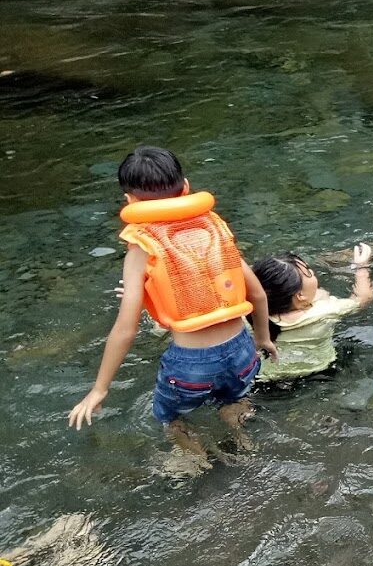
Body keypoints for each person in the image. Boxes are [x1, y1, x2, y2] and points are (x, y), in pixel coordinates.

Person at [67, 147, 277, 453]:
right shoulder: (214, 227)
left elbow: (126, 329)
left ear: (130, 201)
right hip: (242, 351)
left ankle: (196, 463)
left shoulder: (142, 245)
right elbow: (256, 292)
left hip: (192, 365)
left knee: (171, 415)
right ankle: (244, 444)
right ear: (187, 188)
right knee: (234, 401)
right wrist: (263, 338)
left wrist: (99, 389)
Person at [252, 244, 373, 382]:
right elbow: (364, 298)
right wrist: (361, 267)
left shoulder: (249, 317)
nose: (312, 272)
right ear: (300, 296)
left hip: (265, 378)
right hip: (317, 374)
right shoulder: (325, 311)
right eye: (308, 272)